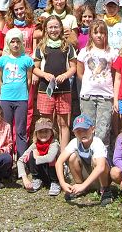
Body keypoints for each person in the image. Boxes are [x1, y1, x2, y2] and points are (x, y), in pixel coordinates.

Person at [33, 16, 77, 150]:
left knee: (63, 123)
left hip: (64, 89)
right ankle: (48, 151)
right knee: (46, 123)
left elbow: (73, 67)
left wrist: (65, 75)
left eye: (56, 27)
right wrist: (44, 75)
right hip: (45, 89)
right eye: (50, 27)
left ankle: (63, 154)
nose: (53, 30)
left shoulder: (67, 46)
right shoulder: (41, 47)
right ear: (46, 29)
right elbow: (34, 68)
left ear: (61, 28)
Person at [55, 114, 112, 206]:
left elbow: (101, 167)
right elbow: (59, 162)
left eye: (85, 130)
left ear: (92, 129)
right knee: (72, 157)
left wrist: (84, 185)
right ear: (74, 133)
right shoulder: (74, 142)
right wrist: (62, 183)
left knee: (97, 160)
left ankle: (105, 190)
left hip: (101, 176)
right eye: (78, 131)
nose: (82, 134)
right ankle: (79, 186)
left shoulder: (97, 142)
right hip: (87, 176)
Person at [76, 19, 117, 146]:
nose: (99, 35)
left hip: (106, 96)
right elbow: (80, 73)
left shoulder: (112, 52)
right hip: (88, 96)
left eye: (102, 32)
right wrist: (90, 82)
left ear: (106, 34)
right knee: (87, 128)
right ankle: (87, 155)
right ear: (91, 34)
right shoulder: (84, 51)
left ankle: (102, 156)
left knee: (103, 131)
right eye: (96, 32)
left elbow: (114, 74)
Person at [0, 28, 35, 157]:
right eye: (12, 42)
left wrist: (23, 94)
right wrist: (3, 93)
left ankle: (21, 159)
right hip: (6, 98)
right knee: (5, 128)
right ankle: (7, 157)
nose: (15, 44)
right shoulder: (3, 60)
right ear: (8, 43)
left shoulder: (27, 60)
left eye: (18, 41)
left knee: (20, 129)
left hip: (21, 99)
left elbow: (28, 80)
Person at [3, 0, 38, 134]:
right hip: (12, 69)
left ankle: (22, 137)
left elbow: (35, 51)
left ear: (26, 8)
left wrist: (35, 71)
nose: (19, 12)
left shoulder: (32, 26)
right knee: (9, 106)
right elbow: (5, 50)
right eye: (16, 9)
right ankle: (9, 140)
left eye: (21, 8)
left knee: (27, 105)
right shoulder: (8, 27)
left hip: (27, 67)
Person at [18, 117, 61, 196]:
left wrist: (36, 158)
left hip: (55, 172)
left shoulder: (54, 143)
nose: (43, 134)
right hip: (43, 171)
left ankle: (55, 182)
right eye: (40, 132)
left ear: (51, 132)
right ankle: (37, 178)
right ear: (36, 133)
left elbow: (50, 158)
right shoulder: (35, 144)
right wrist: (25, 178)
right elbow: (20, 161)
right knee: (32, 153)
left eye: (46, 131)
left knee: (52, 158)